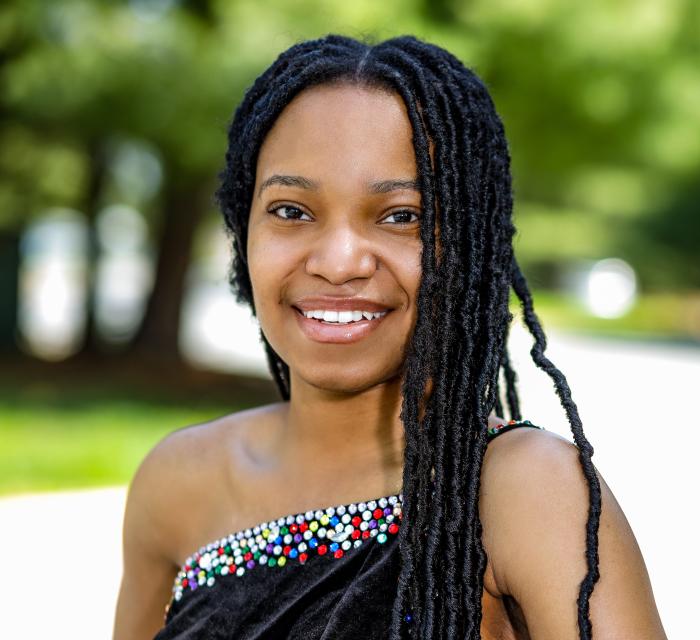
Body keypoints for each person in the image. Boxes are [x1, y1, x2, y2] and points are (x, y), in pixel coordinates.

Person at [113, 34, 667, 640]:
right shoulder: (176, 481)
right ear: (243, 231)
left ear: (467, 247)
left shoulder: (527, 492)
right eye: (292, 211)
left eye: (401, 216)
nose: (339, 261)